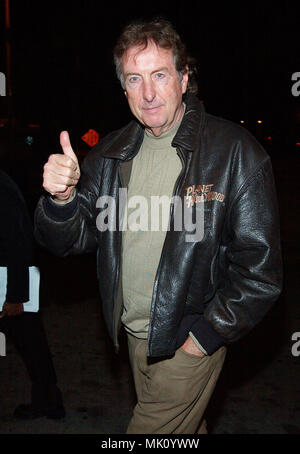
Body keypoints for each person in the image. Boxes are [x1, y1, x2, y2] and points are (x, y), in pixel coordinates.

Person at [34, 18, 282, 434]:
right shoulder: (112, 154)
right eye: (135, 78)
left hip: (189, 338)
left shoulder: (233, 151)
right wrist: (60, 200)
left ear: (184, 80)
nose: (148, 93)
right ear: (124, 88)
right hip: (135, 338)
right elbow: (70, 239)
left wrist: (204, 336)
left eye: (160, 75)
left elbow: (262, 270)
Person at [0, 169, 65, 420]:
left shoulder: (3, 187)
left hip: (10, 283)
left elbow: (17, 238)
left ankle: (49, 401)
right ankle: (50, 401)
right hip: (11, 281)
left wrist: (16, 296)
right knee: (30, 343)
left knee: (31, 344)